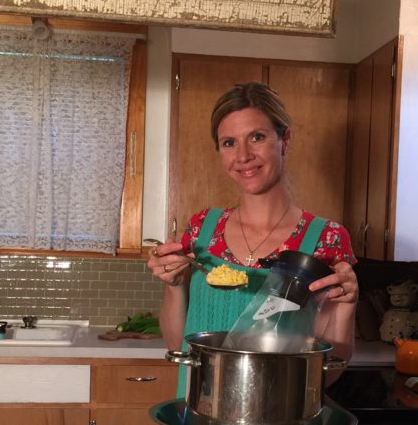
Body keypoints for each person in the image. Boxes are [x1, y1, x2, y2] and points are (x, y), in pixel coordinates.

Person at [147, 81, 358, 379]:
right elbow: (178, 344)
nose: (243, 155)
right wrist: (173, 284)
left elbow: (328, 373)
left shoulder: (325, 240)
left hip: (278, 416)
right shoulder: (201, 231)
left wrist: (348, 304)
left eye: (256, 137)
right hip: (201, 411)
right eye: (229, 143)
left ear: (284, 140)